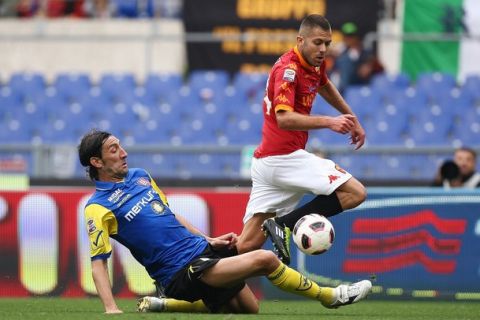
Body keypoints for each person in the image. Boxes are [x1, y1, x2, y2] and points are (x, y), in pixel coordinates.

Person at [78, 129, 372, 314]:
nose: (124, 152)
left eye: (120, 146)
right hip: (180, 271)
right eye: (114, 150)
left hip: (201, 251)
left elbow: (167, 214)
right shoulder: (97, 208)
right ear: (97, 162)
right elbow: (98, 262)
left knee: (249, 309)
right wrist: (111, 308)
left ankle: (165, 304)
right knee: (265, 260)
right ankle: (330, 296)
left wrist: (209, 239)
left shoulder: (140, 175)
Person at [236, 14, 368, 265]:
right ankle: (284, 226)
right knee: (356, 193)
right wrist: (330, 121)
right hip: (284, 158)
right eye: (318, 42)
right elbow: (284, 119)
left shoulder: (314, 63)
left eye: (327, 43)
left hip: (267, 163)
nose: (323, 49)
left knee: (246, 245)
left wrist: (351, 117)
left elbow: (325, 84)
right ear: (300, 40)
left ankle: (195, 278)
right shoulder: (288, 69)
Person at [330, 22, 384, 93]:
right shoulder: (340, 52)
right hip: (344, 87)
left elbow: (380, 68)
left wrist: (370, 65)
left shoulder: (366, 53)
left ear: (356, 37)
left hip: (361, 86)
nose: (348, 39)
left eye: (351, 36)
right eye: (346, 36)